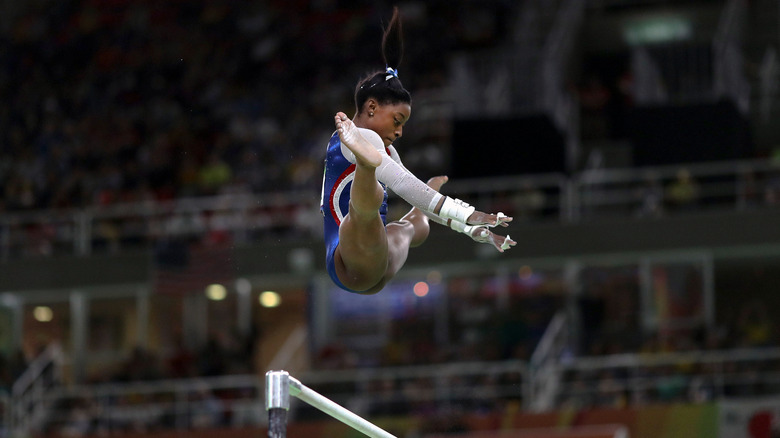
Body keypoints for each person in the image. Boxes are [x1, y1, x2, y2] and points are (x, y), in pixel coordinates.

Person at [321, 7, 515, 294]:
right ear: (372, 107)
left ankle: (377, 175)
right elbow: (400, 182)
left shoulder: (380, 148)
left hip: (375, 265)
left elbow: (409, 189)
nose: (399, 132)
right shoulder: (355, 136)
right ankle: (367, 168)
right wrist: (469, 215)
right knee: (367, 211)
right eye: (397, 121)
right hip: (350, 258)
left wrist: (473, 230)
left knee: (412, 226)